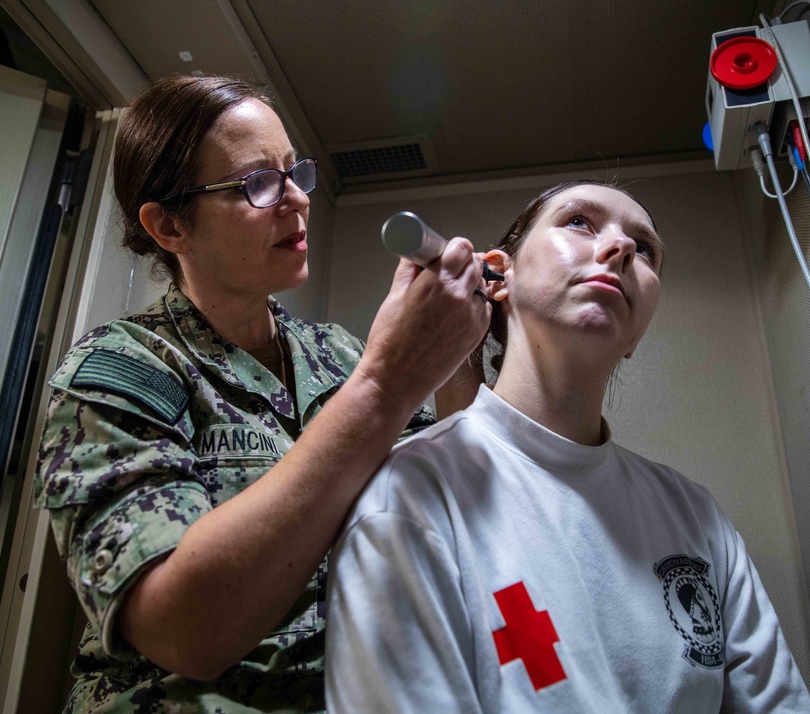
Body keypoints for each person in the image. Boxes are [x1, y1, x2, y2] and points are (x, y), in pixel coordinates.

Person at [33, 75, 490, 711]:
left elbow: (446, 503)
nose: (298, 200)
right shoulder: (120, 370)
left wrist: (458, 343)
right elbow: (185, 630)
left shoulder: (339, 355)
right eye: (257, 184)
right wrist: (388, 382)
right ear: (169, 226)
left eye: (293, 171)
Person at [325, 181, 810, 712]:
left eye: (644, 248)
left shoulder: (696, 518)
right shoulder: (413, 495)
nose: (622, 248)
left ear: (636, 337)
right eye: (580, 221)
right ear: (498, 278)